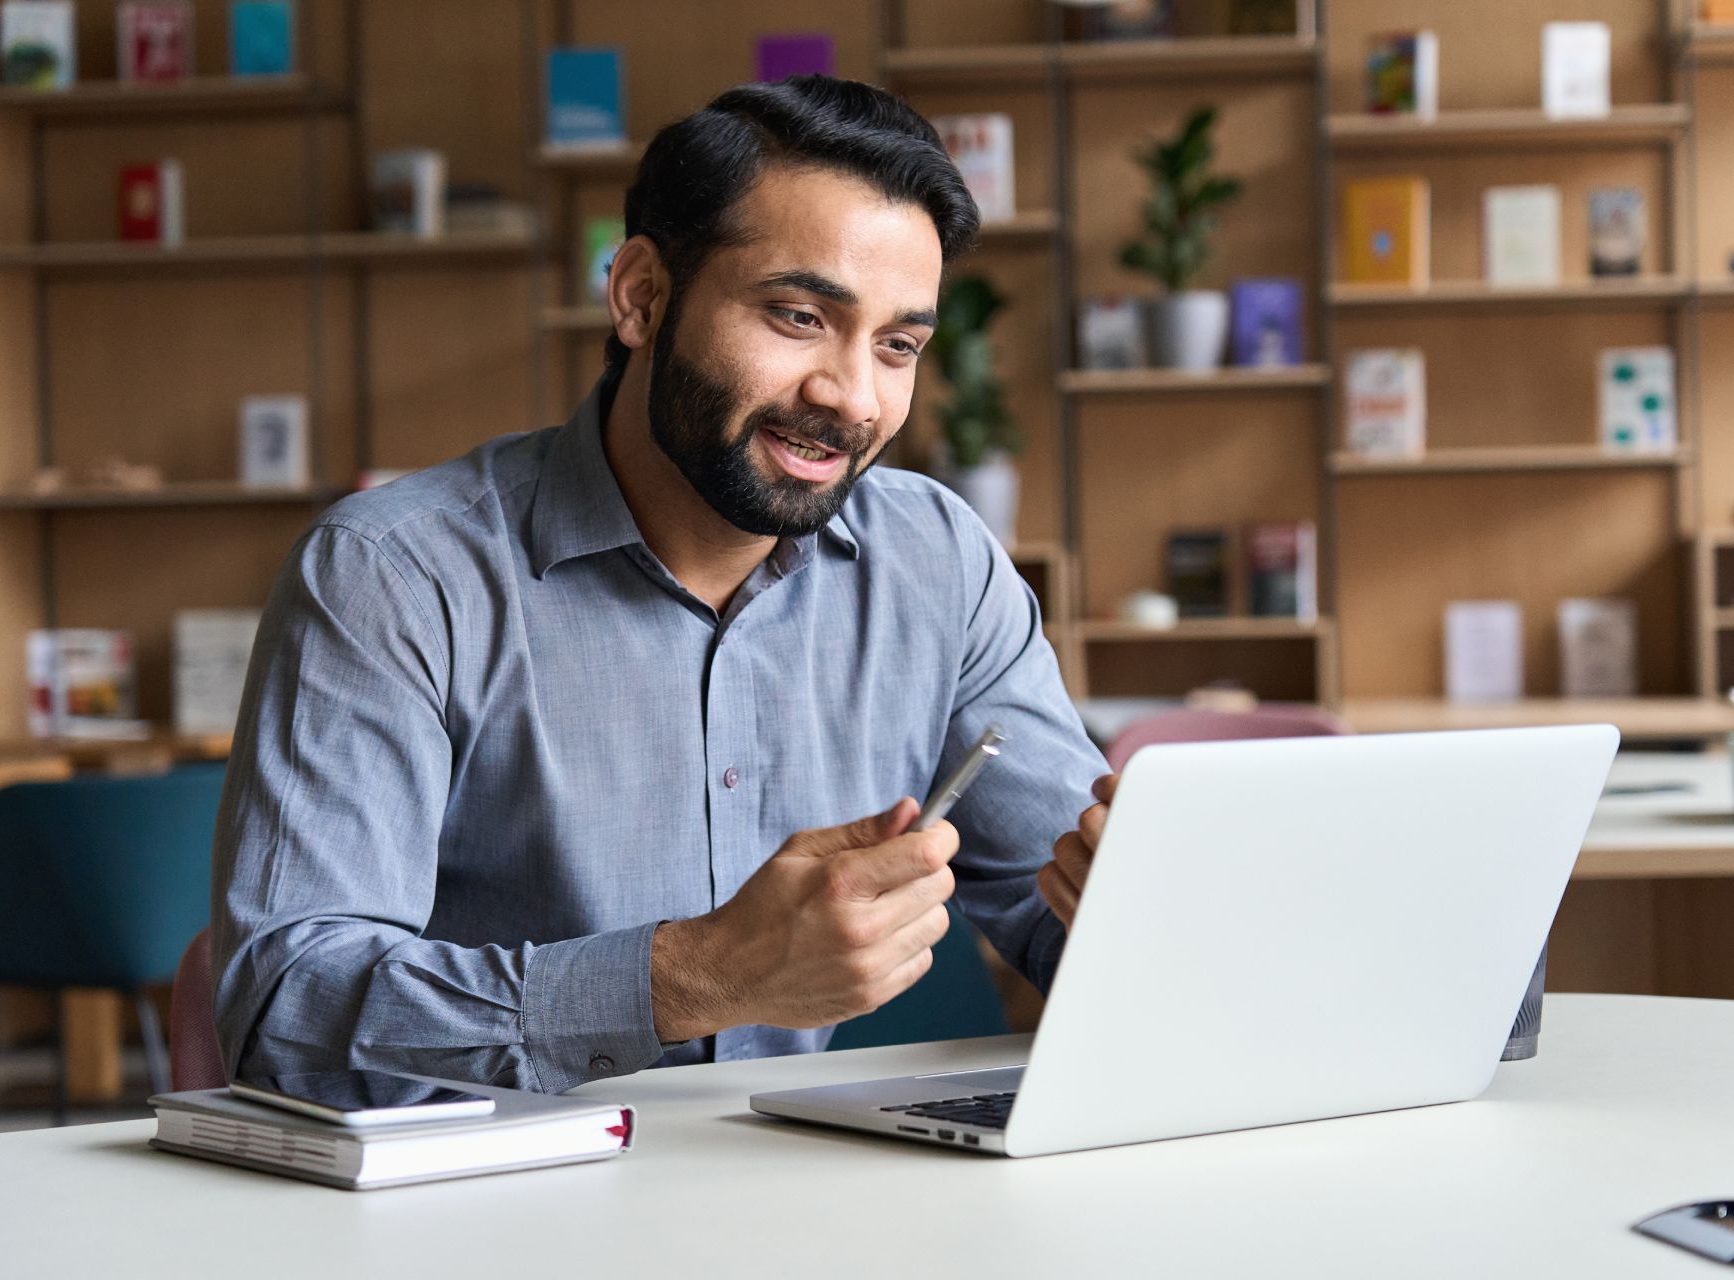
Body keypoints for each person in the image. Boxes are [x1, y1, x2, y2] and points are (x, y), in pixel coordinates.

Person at [212, 76, 1117, 1093]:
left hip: (795, 1202)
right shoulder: (394, 575)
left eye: (898, 344)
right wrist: (696, 974)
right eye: (797, 315)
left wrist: (1140, 901)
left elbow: (1074, 906)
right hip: (487, 1213)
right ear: (642, 293)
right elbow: (285, 1011)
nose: (853, 396)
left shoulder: (936, 560)